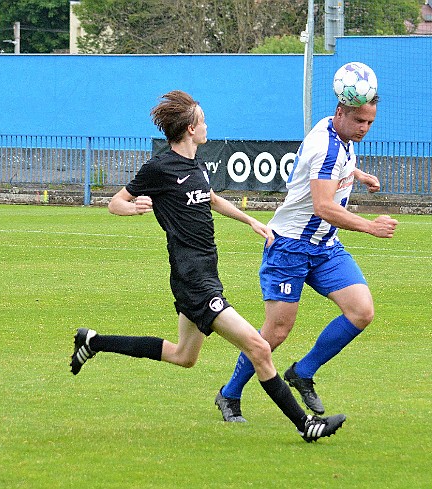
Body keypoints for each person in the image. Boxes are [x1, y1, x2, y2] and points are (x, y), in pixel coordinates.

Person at [71, 90, 346, 442]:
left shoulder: (195, 166)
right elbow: (115, 203)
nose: (206, 125)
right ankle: (307, 425)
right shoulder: (160, 167)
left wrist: (250, 221)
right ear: (189, 128)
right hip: (193, 280)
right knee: (259, 347)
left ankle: (94, 342)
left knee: (183, 356)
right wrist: (133, 208)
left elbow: (211, 199)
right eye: (202, 120)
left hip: (202, 274)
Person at [215, 94, 398, 422]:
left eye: (370, 122)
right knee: (276, 332)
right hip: (290, 248)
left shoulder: (336, 132)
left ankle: (303, 372)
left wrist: (358, 174)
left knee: (361, 311)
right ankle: (229, 393)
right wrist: (370, 227)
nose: (365, 128)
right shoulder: (323, 145)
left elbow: (338, 162)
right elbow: (323, 207)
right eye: (359, 121)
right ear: (340, 112)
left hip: (326, 246)